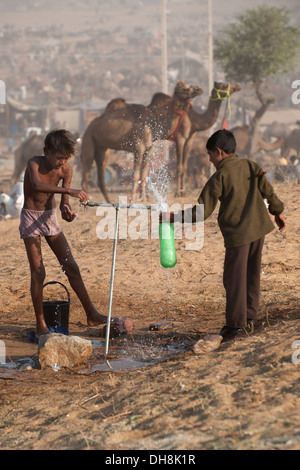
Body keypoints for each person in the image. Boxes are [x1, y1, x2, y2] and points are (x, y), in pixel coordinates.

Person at [177, 129, 286, 341]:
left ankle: (236, 326)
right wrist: (278, 211)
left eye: (210, 156)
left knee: (234, 279)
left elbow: (201, 212)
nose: (210, 161)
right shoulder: (253, 166)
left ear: (218, 152)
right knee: (252, 274)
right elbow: (268, 190)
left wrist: (174, 217)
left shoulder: (219, 177)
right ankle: (250, 318)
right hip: (259, 230)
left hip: (238, 235)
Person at [19, 129, 111, 340]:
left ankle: (92, 314)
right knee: (38, 272)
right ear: (46, 151)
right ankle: (41, 324)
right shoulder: (34, 163)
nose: (62, 163)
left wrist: (67, 210)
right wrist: (70, 192)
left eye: (65, 159)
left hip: (50, 218)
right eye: (59, 158)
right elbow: (36, 185)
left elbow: (63, 205)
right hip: (31, 218)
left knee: (71, 267)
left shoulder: (65, 170)